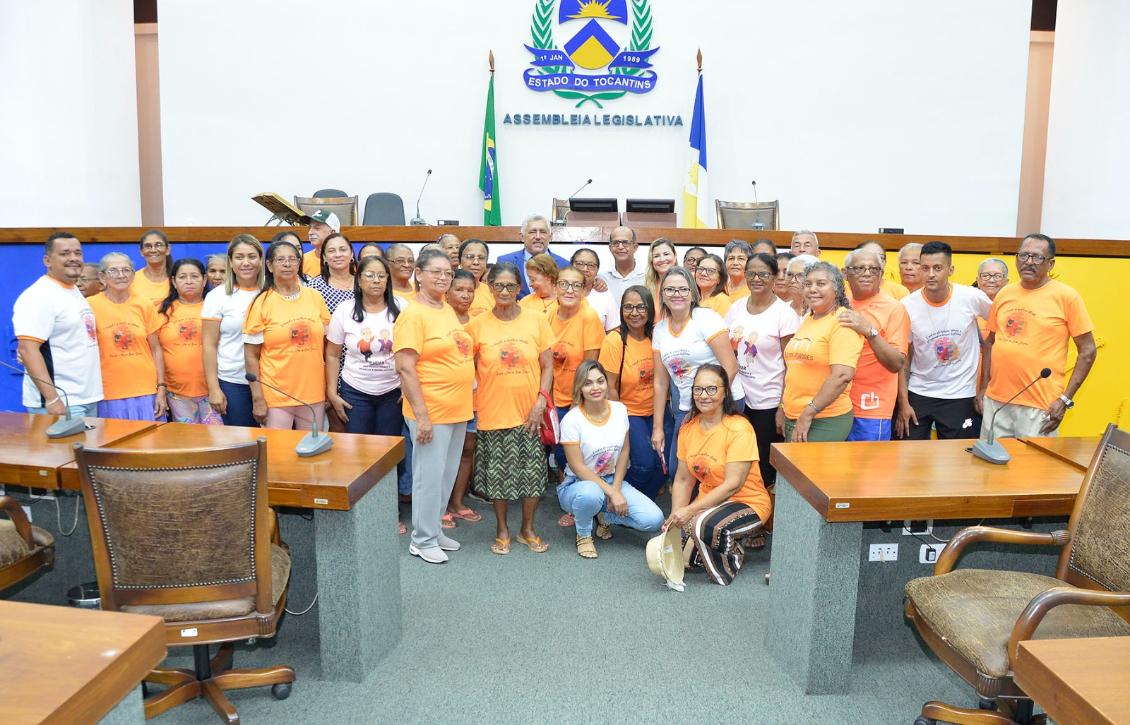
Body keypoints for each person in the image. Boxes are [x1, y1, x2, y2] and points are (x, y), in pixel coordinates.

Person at [466, 262, 554, 555]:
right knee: (498, 475)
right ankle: (502, 528)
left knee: (532, 473)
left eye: (511, 286)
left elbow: (547, 365)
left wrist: (541, 399)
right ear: (489, 288)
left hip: (530, 411)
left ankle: (527, 529)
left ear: (520, 288)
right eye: (498, 286)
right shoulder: (476, 325)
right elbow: (461, 364)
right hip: (492, 410)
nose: (504, 291)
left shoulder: (536, 320)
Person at [394, 249, 475, 564]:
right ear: (419, 272)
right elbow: (405, 368)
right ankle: (422, 539)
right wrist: (423, 416)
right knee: (428, 476)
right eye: (436, 272)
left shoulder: (445, 309)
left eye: (448, 273)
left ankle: (435, 529)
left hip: (457, 409)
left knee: (445, 474)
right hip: (431, 412)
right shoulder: (412, 314)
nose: (443, 277)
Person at [324, 255, 411, 532]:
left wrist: (408, 388)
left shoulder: (403, 308)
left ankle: (389, 513)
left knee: (389, 454)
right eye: (369, 275)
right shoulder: (344, 311)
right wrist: (331, 392)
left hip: (392, 393)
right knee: (356, 455)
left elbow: (412, 353)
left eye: (381, 276)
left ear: (388, 280)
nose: (376, 280)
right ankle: (359, 513)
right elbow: (332, 354)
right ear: (359, 280)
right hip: (355, 392)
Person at [980, 234, 1096, 438]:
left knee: (1034, 469)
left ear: (1051, 263)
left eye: (1037, 257)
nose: (1029, 262)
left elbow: (1088, 351)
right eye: (1023, 255)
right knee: (990, 467)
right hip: (996, 402)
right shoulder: (1005, 294)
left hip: (1040, 407)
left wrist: (1065, 400)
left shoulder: (1067, 297)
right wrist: (984, 389)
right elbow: (990, 343)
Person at [665, 364, 771, 586]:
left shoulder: (739, 428)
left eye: (712, 389)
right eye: (698, 389)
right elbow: (683, 480)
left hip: (747, 502)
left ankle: (729, 564)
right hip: (709, 502)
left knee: (702, 526)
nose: (704, 396)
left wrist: (691, 510)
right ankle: (733, 540)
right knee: (679, 552)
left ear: (725, 392)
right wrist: (676, 516)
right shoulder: (687, 428)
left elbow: (733, 485)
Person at [558, 361, 664, 559]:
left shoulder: (619, 410)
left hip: (612, 479)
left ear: (607, 384)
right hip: (578, 485)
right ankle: (583, 535)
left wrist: (615, 489)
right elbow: (577, 466)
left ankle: (604, 515)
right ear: (579, 388)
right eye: (588, 383)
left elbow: (624, 452)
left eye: (600, 381)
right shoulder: (571, 420)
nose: (595, 388)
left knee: (654, 519)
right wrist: (611, 494)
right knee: (591, 494)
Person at [651, 266, 741, 476]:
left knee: (714, 470)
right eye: (670, 290)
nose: (677, 294)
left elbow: (730, 366)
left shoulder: (705, 318)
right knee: (678, 470)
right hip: (686, 406)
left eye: (683, 289)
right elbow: (661, 383)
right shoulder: (659, 330)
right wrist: (657, 428)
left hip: (722, 403)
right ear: (662, 295)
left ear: (692, 293)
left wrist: (707, 405)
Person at [897, 241, 991, 440]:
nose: (930, 274)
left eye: (937, 268)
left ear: (951, 270)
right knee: (910, 457)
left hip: (961, 394)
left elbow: (996, 335)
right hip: (919, 392)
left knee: (958, 461)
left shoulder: (971, 297)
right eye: (925, 268)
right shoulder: (906, 306)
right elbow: (903, 358)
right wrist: (903, 402)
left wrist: (984, 388)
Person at [725, 253, 800, 485]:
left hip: (768, 401)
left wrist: (782, 406)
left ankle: (766, 515)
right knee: (737, 460)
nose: (756, 278)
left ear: (775, 276)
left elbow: (792, 366)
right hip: (737, 398)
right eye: (751, 274)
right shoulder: (735, 308)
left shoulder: (784, 314)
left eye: (763, 274)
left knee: (763, 466)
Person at [244, 239, 331, 430]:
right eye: (280, 259)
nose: (287, 264)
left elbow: (327, 347)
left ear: (299, 264)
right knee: (277, 455)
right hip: (276, 395)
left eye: (293, 259)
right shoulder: (261, 302)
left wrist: (328, 390)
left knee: (314, 454)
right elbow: (250, 355)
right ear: (269, 265)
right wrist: (257, 397)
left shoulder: (314, 297)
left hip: (313, 393)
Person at [12, 232, 102, 417]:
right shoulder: (38, 296)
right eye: (65, 253)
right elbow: (28, 350)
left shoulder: (73, 291)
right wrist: (52, 399)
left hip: (85, 399)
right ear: (47, 260)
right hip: (61, 403)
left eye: (78, 253)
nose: (73, 258)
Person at [779, 262, 862, 442]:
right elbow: (794, 370)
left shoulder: (842, 322)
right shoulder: (810, 318)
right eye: (808, 284)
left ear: (837, 289)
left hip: (824, 419)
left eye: (821, 283)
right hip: (795, 415)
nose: (812, 289)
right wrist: (783, 407)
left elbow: (842, 376)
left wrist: (808, 413)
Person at [599, 286, 669, 500]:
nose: (635, 312)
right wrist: (620, 420)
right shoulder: (615, 340)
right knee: (644, 464)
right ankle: (622, 502)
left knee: (666, 461)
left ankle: (641, 504)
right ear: (621, 310)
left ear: (649, 309)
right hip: (629, 412)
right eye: (628, 307)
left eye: (641, 307)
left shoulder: (658, 335)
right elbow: (609, 386)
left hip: (659, 409)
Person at [87, 252, 168, 421]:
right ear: (102, 276)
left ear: (133, 275)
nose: (121, 275)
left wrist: (161, 389)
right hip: (108, 392)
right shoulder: (90, 306)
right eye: (114, 270)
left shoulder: (144, 304)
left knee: (152, 444)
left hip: (146, 391)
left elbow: (156, 350)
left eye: (126, 270)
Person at [839, 249, 910, 441]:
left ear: (881, 274)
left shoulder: (894, 308)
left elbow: (897, 363)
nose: (867, 273)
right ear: (845, 273)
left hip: (870, 407)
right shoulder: (838, 303)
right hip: (835, 404)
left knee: (869, 470)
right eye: (860, 268)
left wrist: (870, 331)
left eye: (874, 269)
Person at [202, 234, 266, 427]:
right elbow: (209, 345)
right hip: (233, 382)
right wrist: (214, 389)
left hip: (272, 380)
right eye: (239, 257)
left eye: (252, 256)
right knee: (242, 443)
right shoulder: (217, 296)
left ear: (262, 260)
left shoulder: (271, 292)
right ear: (230, 261)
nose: (246, 262)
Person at [549, 266, 606, 469]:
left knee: (578, 450)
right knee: (560, 448)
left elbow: (590, 367)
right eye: (564, 284)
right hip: (554, 397)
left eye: (576, 285)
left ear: (583, 291)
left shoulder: (589, 316)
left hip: (580, 397)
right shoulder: (548, 315)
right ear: (555, 287)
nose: (569, 290)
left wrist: (576, 402)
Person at [158, 258, 221, 424]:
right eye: (182, 277)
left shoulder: (215, 306)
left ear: (204, 279)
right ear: (173, 281)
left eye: (194, 276)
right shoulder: (161, 311)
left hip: (214, 390)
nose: (189, 281)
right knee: (188, 444)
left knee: (217, 442)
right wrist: (161, 387)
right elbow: (155, 351)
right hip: (176, 393)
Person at [444, 269, 480, 527]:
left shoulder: (479, 321)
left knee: (467, 451)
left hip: (474, 397)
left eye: (470, 290)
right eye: (460, 289)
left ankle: (457, 502)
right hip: (444, 398)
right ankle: (440, 505)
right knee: (442, 453)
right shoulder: (438, 317)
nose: (465, 295)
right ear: (447, 291)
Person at [497, 214, 568, 298]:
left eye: (543, 232)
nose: (538, 237)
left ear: (550, 237)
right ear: (522, 237)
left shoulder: (564, 265)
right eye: (532, 232)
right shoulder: (505, 261)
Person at [307, 232, 356, 313]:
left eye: (343, 249)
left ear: (351, 254)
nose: (338, 255)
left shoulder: (363, 282)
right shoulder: (315, 286)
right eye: (331, 251)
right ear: (324, 257)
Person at [599, 226, 645, 307]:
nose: (620, 247)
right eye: (615, 243)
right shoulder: (601, 279)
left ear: (635, 247)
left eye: (625, 242)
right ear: (610, 248)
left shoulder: (647, 277)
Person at [571, 247, 616, 330]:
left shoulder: (605, 295)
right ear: (571, 266)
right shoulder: (560, 292)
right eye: (580, 264)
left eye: (591, 265)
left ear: (597, 270)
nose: (585, 269)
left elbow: (614, 330)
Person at [132, 229, 172, 307]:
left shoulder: (178, 279)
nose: (153, 250)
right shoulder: (132, 280)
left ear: (168, 249)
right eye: (148, 246)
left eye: (158, 245)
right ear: (141, 252)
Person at [301, 209, 340, 278]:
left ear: (332, 233)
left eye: (317, 228)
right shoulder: (302, 260)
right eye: (310, 228)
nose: (310, 232)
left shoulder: (344, 261)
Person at [459, 239, 492, 317]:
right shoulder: (446, 291)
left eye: (481, 258)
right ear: (460, 261)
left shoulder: (492, 292)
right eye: (470, 257)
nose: (476, 262)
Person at [644, 237, 678, 304]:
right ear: (651, 260)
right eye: (656, 256)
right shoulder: (647, 288)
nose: (662, 259)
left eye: (666, 254)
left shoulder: (686, 283)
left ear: (675, 256)